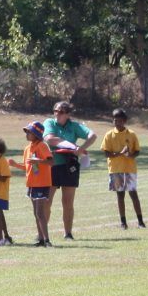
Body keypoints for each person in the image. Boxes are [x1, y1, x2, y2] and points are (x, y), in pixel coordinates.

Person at [42, 101, 93, 240]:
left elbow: (92, 135)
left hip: (69, 167)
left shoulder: (74, 126)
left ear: (68, 114)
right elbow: (50, 139)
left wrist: (81, 149)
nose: (57, 114)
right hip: (51, 166)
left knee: (68, 202)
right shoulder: (49, 123)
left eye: (61, 112)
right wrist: (72, 146)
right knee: (47, 201)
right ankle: (43, 234)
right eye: (56, 111)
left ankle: (68, 233)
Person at [99, 109, 145, 230]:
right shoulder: (109, 135)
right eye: (115, 120)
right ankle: (123, 222)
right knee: (120, 196)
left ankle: (140, 221)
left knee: (133, 195)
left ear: (124, 121)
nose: (117, 123)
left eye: (119, 120)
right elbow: (106, 152)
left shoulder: (131, 134)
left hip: (129, 169)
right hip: (115, 169)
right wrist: (120, 153)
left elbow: (137, 151)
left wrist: (130, 155)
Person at [13, 122, 55, 247]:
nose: (27, 134)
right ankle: (41, 239)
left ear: (36, 134)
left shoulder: (42, 146)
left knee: (40, 212)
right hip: (31, 184)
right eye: (26, 131)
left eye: (29, 132)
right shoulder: (27, 148)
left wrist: (40, 161)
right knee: (36, 213)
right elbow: (28, 167)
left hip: (42, 183)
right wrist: (15, 165)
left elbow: (51, 162)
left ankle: (47, 240)